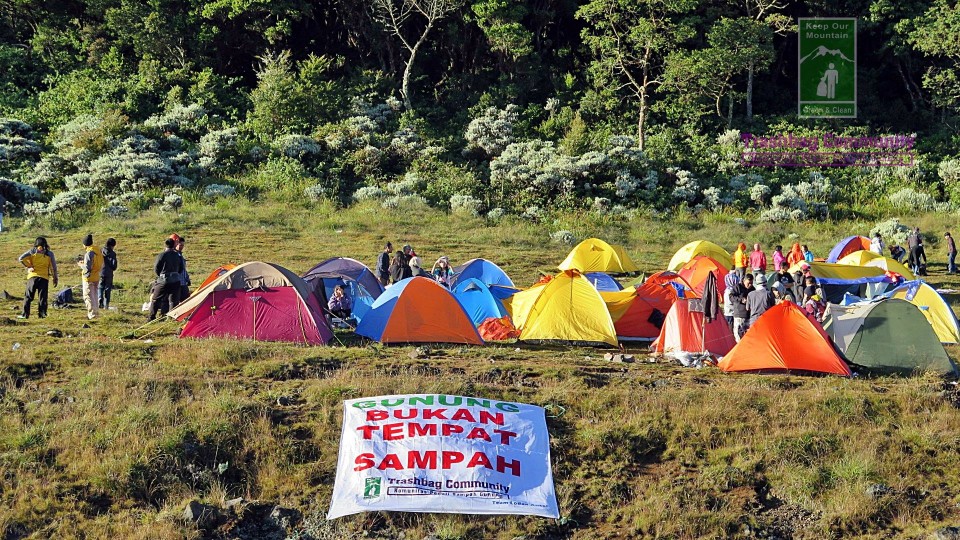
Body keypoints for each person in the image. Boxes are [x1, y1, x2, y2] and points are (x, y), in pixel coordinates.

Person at [17, 237, 58, 319]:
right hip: (44, 278)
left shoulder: (32, 251)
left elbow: (21, 258)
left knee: (28, 297)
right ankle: (42, 314)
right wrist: (55, 278)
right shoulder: (49, 254)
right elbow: (53, 267)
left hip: (33, 277)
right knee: (42, 297)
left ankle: (25, 314)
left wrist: (28, 266)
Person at [149, 238, 184, 321]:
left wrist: (160, 276)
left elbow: (156, 268)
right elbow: (181, 268)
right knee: (173, 301)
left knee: (155, 299)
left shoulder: (162, 255)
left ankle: (151, 317)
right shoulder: (177, 256)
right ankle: (172, 318)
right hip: (175, 280)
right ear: (174, 245)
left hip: (163, 280)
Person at [77, 234, 104, 320]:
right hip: (96, 276)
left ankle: (92, 314)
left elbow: (88, 268)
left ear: (85, 244)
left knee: (88, 296)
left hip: (89, 278)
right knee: (94, 295)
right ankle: (96, 313)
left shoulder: (89, 253)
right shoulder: (98, 251)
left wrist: (81, 265)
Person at [729, 273, 754, 341]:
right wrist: (740, 299)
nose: (750, 285)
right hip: (739, 315)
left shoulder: (753, 289)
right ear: (744, 280)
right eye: (748, 283)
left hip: (749, 315)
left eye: (751, 283)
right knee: (738, 335)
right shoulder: (737, 287)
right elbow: (731, 297)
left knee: (748, 335)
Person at [99, 238, 118, 310]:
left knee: (100, 287)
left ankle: (100, 297)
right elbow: (114, 265)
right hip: (109, 274)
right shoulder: (112, 254)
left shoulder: (101, 251)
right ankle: (106, 305)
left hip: (101, 272)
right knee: (107, 289)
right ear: (112, 245)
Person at [171, 234, 191, 303]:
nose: (181, 247)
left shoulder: (180, 255)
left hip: (183, 282)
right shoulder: (174, 255)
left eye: (182, 245)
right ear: (176, 244)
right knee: (176, 301)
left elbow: (184, 269)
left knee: (186, 301)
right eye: (180, 245)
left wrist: (187, 279)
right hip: (177, 282)